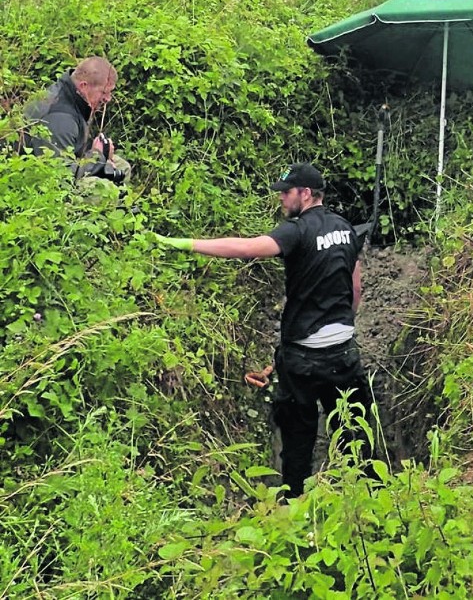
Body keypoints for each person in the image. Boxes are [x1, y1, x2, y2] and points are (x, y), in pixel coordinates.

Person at [155, 162, 372, 497]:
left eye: (286, 193)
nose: (282, 199)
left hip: (302, 360)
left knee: (297, 447)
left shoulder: (296, 230)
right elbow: (355, 291)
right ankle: (367, 510)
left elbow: (245, 249)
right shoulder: (346, 229)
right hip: (344, 355)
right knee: (356, 439)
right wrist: (340, 330)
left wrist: (183, 244)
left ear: (306, 193)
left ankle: (293, 516)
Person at [22, 56, 130, 186]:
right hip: (38, 181)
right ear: (84, 86)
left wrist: (101, 153)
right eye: (104, 92)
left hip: (66, 162)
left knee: (122, 166)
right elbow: (59, 177)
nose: (108, 99)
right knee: (101, 188)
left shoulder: (73, 97)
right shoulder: (60, 118)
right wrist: (98, 155)